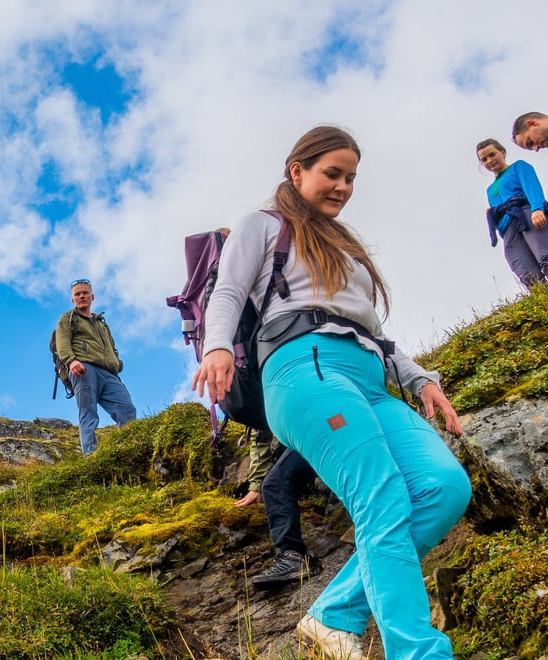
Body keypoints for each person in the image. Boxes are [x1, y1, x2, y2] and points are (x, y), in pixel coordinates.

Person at [192, 126, 472, 659]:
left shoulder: (342, 246)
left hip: (369, 376)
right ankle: (420, 653)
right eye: (332, 173)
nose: (343, 186)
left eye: (351, 178)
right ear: (296, 171)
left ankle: (333, 614)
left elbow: (368, 331)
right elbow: (227, 289)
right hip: (304, 368)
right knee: (382, 494)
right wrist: (218, 347)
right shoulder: (264, 225)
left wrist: (420, 379)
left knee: (442, 487)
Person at [53, 279, 137, 455]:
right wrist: (71, 361)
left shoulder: (102, 324)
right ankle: (90, 456)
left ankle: (130, 450)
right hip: (83, 371)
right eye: (77, 294)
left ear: (92, 296)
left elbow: (111, 347)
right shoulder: (68, 319)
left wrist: (117, 363)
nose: (81, 296)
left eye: (85, 293)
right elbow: (62, 343)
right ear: (72, 300)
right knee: (88, 412)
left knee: (127, 408)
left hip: (108, 374)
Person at [476, 138, 548, 287]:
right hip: (508, 229)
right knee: (526, 271)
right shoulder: (489, 190)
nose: (489, 161)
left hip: (527, 214)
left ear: (502, 152)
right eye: (484, 159)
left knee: (546, 257)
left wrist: (537, 209)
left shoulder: (519, 167)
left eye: (492, 155)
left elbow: (532, 187)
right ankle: (546, 303)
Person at [235, 431, 322, 589]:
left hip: (319, 428)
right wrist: (256, 485)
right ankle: (292, 557)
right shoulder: (248, 409)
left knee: (275, 484)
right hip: (313, 432)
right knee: (275, 484)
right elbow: (260, 436)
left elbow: (260, 434)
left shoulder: (248, 406)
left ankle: (293, 557)